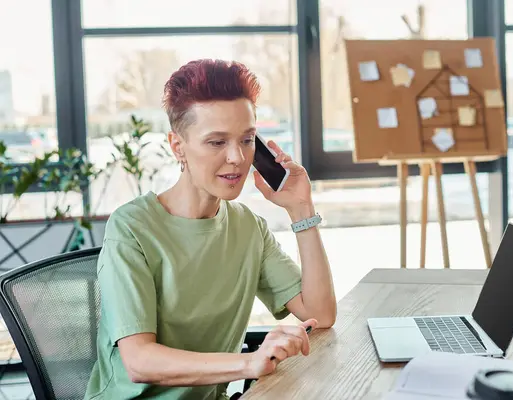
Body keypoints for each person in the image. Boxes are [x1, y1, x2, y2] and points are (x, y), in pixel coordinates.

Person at [84, 59, 337, 400]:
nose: (237, 157)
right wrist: (248, 363)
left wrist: (300, 210)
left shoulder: (248, 228)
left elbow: (320, 315)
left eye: (247, 140)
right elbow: (139, 360)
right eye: (217, 142)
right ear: (178, 147)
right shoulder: (132, 228)